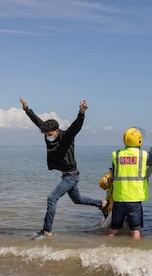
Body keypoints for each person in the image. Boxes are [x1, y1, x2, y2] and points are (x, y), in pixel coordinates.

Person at [19, 97, 108, 237]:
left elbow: (76, 126)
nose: (48, 137)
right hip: (67, 175)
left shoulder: (66, 136)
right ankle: (102, 204)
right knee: (77, 199)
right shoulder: (47, 132)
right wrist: (26, 109)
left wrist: (81, 112)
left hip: (71, 175)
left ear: (56, 131)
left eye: (49, 135)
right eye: (45, 135)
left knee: (52, 198)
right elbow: (37, 121)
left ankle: (47, 231)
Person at [108, 127, 151, 240]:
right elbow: (151, 158)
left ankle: (104, 246)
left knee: (114, 229)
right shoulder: (143, 155)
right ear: (139, 141)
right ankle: (135, 251)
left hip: (119, 198)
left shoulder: (116, 154)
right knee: (135, 230)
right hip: (134, 199)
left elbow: (115, 171)